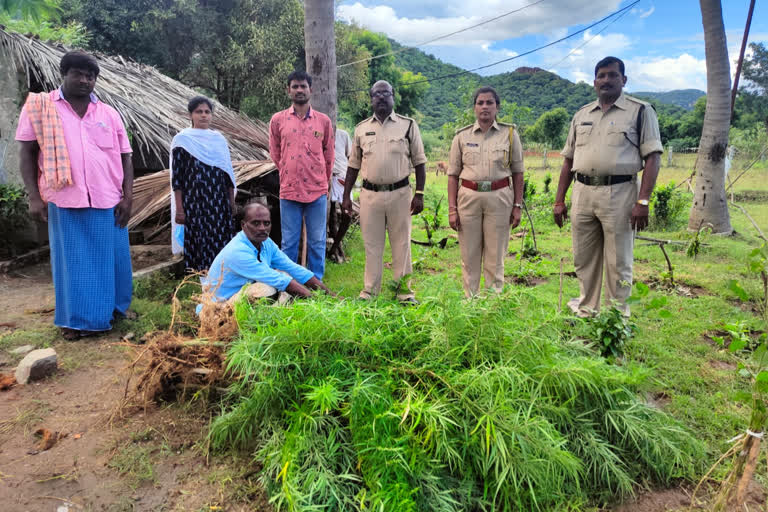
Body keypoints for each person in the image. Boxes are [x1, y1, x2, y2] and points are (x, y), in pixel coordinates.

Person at [16, 51, 134, 339]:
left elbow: (125, 157)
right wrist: (34, 196)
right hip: (66, 199)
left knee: (114, 260)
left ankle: (116, 310)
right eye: (78, 74)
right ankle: (76, 321)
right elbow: (27, 152)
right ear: (64, 74)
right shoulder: (42, 108)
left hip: (108, 199)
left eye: (90, 76)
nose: (84, 80)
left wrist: (128, 196)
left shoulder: (109, 113)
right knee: (74, 264)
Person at [553, 56, 662, 316]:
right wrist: (559, 201)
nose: (606, 80)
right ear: (594, 82)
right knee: (584, 258)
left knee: (618, 260)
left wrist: (643, 201)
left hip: (621, 193)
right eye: (601, 75)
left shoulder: (640, 111)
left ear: (623, 80)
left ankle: (616, 318)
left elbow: (653, 158)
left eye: (613, 75)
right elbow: (568, 161)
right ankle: (587, 310)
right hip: (582, 193)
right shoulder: (581, 115)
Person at [342, 80, 427, 303]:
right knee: (372, 245)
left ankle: (404, 293)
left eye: (385, 94)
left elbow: (419, 162)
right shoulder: (361, 128)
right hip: (370, 195)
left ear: (393, 96)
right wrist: (346, 197)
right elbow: (353, 165)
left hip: (400, 194)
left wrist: (420, 193)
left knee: (402, 244)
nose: (381, 97)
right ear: (371, 99)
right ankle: (369, 292)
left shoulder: (408, 125)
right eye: (376, 94)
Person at [448, 86, 525, 297]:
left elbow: (518, 173)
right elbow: (453, 175)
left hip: (500, 199)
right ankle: (470, 301)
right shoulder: (461, 137)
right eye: (480, 102)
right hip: (468, 199)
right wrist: (452, 209)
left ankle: (492, 303)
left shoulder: (509, 134)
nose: (484, 107)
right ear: (474, 108)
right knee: (469, 255)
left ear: (497, 107)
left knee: (495, 255)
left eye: (489, 102)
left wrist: (517, 206)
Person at [269, 70, 334, 280]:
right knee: (289, 241)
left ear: (310, 90)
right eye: (295, 86)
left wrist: (323, 180)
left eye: (303, 86)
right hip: (289, 190)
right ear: (288, 90)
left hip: (316, 191)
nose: (299, 90)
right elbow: (275, 152)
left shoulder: (323, 122)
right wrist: (289, 171)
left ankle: (316, 282)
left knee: (317, 240)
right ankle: (288, 283)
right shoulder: (278, 120)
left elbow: (329, 155)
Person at [203, 202, 333, 304]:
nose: (262, 228)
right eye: (256, 223)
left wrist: (331, 296)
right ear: (243, 225)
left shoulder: (266, 243)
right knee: (266, 289)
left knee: (284, 275)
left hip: (235, 300)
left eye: (266, 223)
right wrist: (317, 301)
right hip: (217, 309)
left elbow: (293, 268)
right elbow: (278, 280)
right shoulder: (237, 251)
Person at [170, 96, 236, 271]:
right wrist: (180, 209)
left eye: (207, 112)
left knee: (221, 237)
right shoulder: (182, 141)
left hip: (218, 201)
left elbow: (227, 173)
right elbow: (177, 179)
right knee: (199, 239)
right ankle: (200, 278)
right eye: (199, 111)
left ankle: (223, 274)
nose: (204, 115)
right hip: (194, 202)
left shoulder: (219, 140)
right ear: (191, 115)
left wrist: (231, 201)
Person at [328, 127, 352, 263]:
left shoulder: (343, 135)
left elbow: (351, 157)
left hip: (341, 177)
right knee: (330, 214)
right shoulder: (316, 132)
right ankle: (335, 250)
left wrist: (349, 178)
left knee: (347, 215)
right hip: (326, 177)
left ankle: (335, 247)